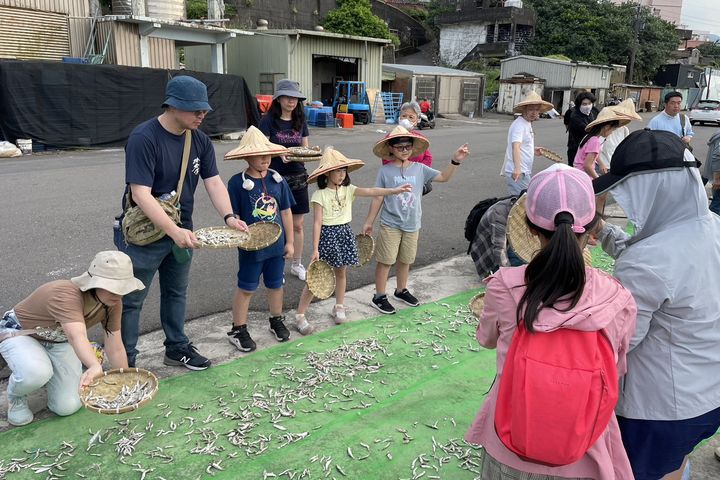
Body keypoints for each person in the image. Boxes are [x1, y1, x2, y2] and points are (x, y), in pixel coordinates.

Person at [466, 164, 637, 479]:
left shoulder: (504, 286)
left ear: (529, 227)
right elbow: (618, 365)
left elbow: (486, 338)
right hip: (585, 448)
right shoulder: (616, 297)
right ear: (592, 228)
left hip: (508, 442)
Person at [593, 129, 720, 480]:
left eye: (630, 193)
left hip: (659, 409)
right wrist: (604, 230)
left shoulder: (647, 261)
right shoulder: (712, 226)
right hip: (709, 394)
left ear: (653, 191)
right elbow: (660, 257)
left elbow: (620, 342)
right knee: (675, 461)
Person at [115, 75, 247, 370]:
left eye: (204, 110)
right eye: (195, 109)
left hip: (182, 231)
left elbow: (213, 181)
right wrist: (173, 231)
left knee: (176, 292)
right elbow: (140, 194)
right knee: (132, 299)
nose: (202, 115)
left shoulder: (198, 139)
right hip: (145, 234)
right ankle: (126, 362)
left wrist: (229, 216)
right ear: (172, 106)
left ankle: (176, 348)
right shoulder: (143, 137)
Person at [0, 251, 145, 426]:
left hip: (58, 341)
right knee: (36, 372)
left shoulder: (112, 302)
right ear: (95, 282)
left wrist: (126, 382)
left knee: (67, 406)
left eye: (123, 288)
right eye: (114, 287)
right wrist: (93, 365)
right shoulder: (66, 294)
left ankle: (46, 373)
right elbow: (76, 336)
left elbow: (115, 345)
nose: (119, 294)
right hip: (22, 333)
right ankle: (16, 397)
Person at [294, 148, 411, 334]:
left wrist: (394, 190)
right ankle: (300, 315)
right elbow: (317, 223)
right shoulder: (320, 195)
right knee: (317, 278)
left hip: (344, 233)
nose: (341, 175)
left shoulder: (349, 189)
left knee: (341, 272)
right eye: (337, 171)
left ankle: (339, 305)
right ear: (326, 173)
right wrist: (315, 248)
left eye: (343, 171)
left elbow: (372, 190)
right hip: (327, 235)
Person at [363, 126, 470, 314]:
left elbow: (444, 177)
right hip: (390, 223)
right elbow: (378, 196)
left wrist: (455, 161)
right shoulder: (385, 171)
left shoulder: (420, 169)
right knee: (386, 260)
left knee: (406, 259)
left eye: (407, 146)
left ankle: (400, 290)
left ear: (413, 147)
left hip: (412, 224)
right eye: (399, 147)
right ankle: (379, 296)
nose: (404, 150)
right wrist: (369, 221)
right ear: (391, 149)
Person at [224, 126, 295, 352]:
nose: (265, 159)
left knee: (276, 285)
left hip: (277, 246)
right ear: (246, 156)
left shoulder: (278, 180)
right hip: (251, 247)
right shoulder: (237, 183)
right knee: (246, 287)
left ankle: (276, 320)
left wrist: (290, 241)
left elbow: (285, 212)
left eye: (267, 154)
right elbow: (233, 213)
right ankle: (238, 328)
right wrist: (234, 223)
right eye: (259, 154)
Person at [259, 79, 311, 282]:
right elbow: (261, 148)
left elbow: (306, 147)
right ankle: (276, 264)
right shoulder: (267, 120)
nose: (292, 101)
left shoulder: (301, 119)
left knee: (298, 224)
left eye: (295, 98)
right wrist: (279, 152)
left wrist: (302, 154)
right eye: (288, 97)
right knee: (275, 223)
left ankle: (297, 263)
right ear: (278, 99)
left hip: (298, 175)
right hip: (274, 176)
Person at [502, 91, 553, 195]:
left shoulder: (527, 123)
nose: (534, 112)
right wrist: (517, 169)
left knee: (525, 203)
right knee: (521, 204)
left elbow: (522, 145)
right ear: (524, 109)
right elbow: (515, 146)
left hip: (524, 171)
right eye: (531, 109)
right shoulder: (519, 125)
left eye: (537, 109)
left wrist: (532, 150)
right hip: (519, 171)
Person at [573, 107, 629, 179]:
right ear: (607, 127)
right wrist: (597, 179)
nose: (611, 133)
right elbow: (587, 166)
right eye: (612, 130)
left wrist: (601, 164)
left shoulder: (589, 137)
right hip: (584, 177)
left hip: (578, 174)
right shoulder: (595, 141)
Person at [599, 99, 642, 169]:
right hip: (602, 166)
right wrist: (601, 165)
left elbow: (625, 149)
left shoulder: (624, 130)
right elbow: (595, 150)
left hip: (615, 166)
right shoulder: (605, 128)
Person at [564, 91, 599, 165]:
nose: (587, 106)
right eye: (584, 104)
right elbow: (567, 124)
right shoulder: (574, 115)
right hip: (576, 147)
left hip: (591, 147)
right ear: (579, 104)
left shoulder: (594, 111)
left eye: (589, 103)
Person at [705, 127, 720, 216]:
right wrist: (717, 179)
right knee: (716, 206)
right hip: (718, 176)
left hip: (715, 174)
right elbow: (718, 155)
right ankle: (711, 228)